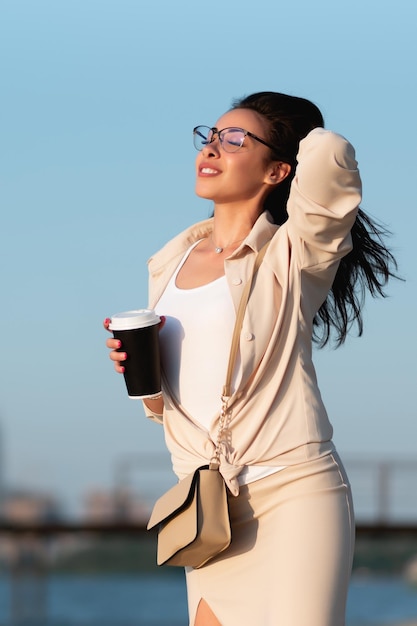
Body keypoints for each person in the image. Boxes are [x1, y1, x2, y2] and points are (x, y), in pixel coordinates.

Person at [104, 92, 397, 626]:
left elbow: (330, 159)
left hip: (293, 494)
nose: (212, 148)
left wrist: (302, 134)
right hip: (208, 506)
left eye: (235, 139)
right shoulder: (170, 263)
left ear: (279, 170)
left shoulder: (294, 255)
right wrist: (141, 378)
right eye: (210, 136)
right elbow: (171, 403)